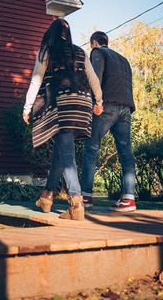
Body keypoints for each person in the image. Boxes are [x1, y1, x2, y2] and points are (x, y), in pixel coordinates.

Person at [23, 18, 103, 220]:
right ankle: (46, 197)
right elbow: (93, 79)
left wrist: (27, 108)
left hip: (61, 106)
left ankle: (76, 203)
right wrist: (99, 102)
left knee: (67, 155)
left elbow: (36, 80)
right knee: (61, 152)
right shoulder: (80, 52)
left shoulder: (46, 51)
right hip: (82, 106)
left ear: (51, 33)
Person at [80, 31, 137, 212]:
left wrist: (95, 104)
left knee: (91, 147)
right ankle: (128, 199)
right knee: (126, 152)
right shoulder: (123, 60)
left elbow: (95, 79)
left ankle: (86, 197)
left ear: (94, 43)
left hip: (107, 106)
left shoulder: (98, 53)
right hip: (126, 107)